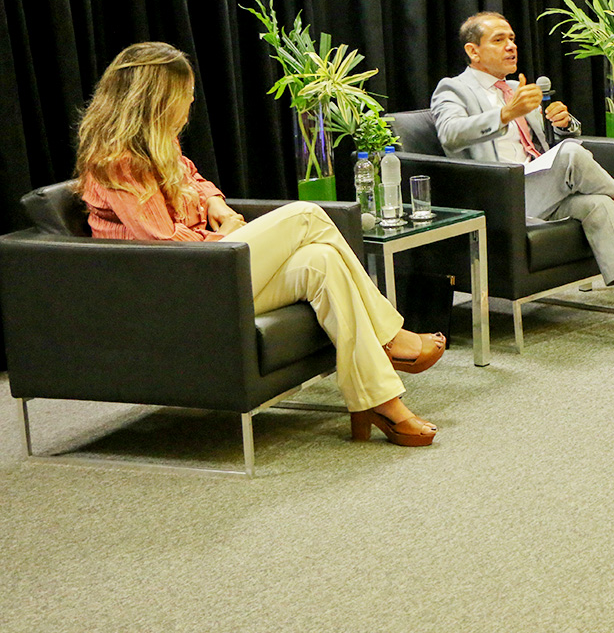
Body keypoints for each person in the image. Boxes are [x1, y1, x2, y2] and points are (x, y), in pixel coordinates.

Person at [76, 41, 443, 447]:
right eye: (185, 95)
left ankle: (380, 403)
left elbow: (195, 181)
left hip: (210, 267)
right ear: (156, 100)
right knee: (307, 215)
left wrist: (215, 203)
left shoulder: (161, 145)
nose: (191, 103)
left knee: (321, 261)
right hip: (177, 286)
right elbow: (164, 244)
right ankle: (391, 337)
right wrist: (226, 235)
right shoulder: (118, 160)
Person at [431, 12, 614, 354]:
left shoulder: (517, 88)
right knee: (572, 155)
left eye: (512, 39)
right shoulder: (453, 88)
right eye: (499, 40)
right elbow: (449, 133)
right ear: (473, 51)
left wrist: (564, 124)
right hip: (498, 194)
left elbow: (550, 144)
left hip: (538, 188)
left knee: (601, 204)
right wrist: (506, 113)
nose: (511, 46)